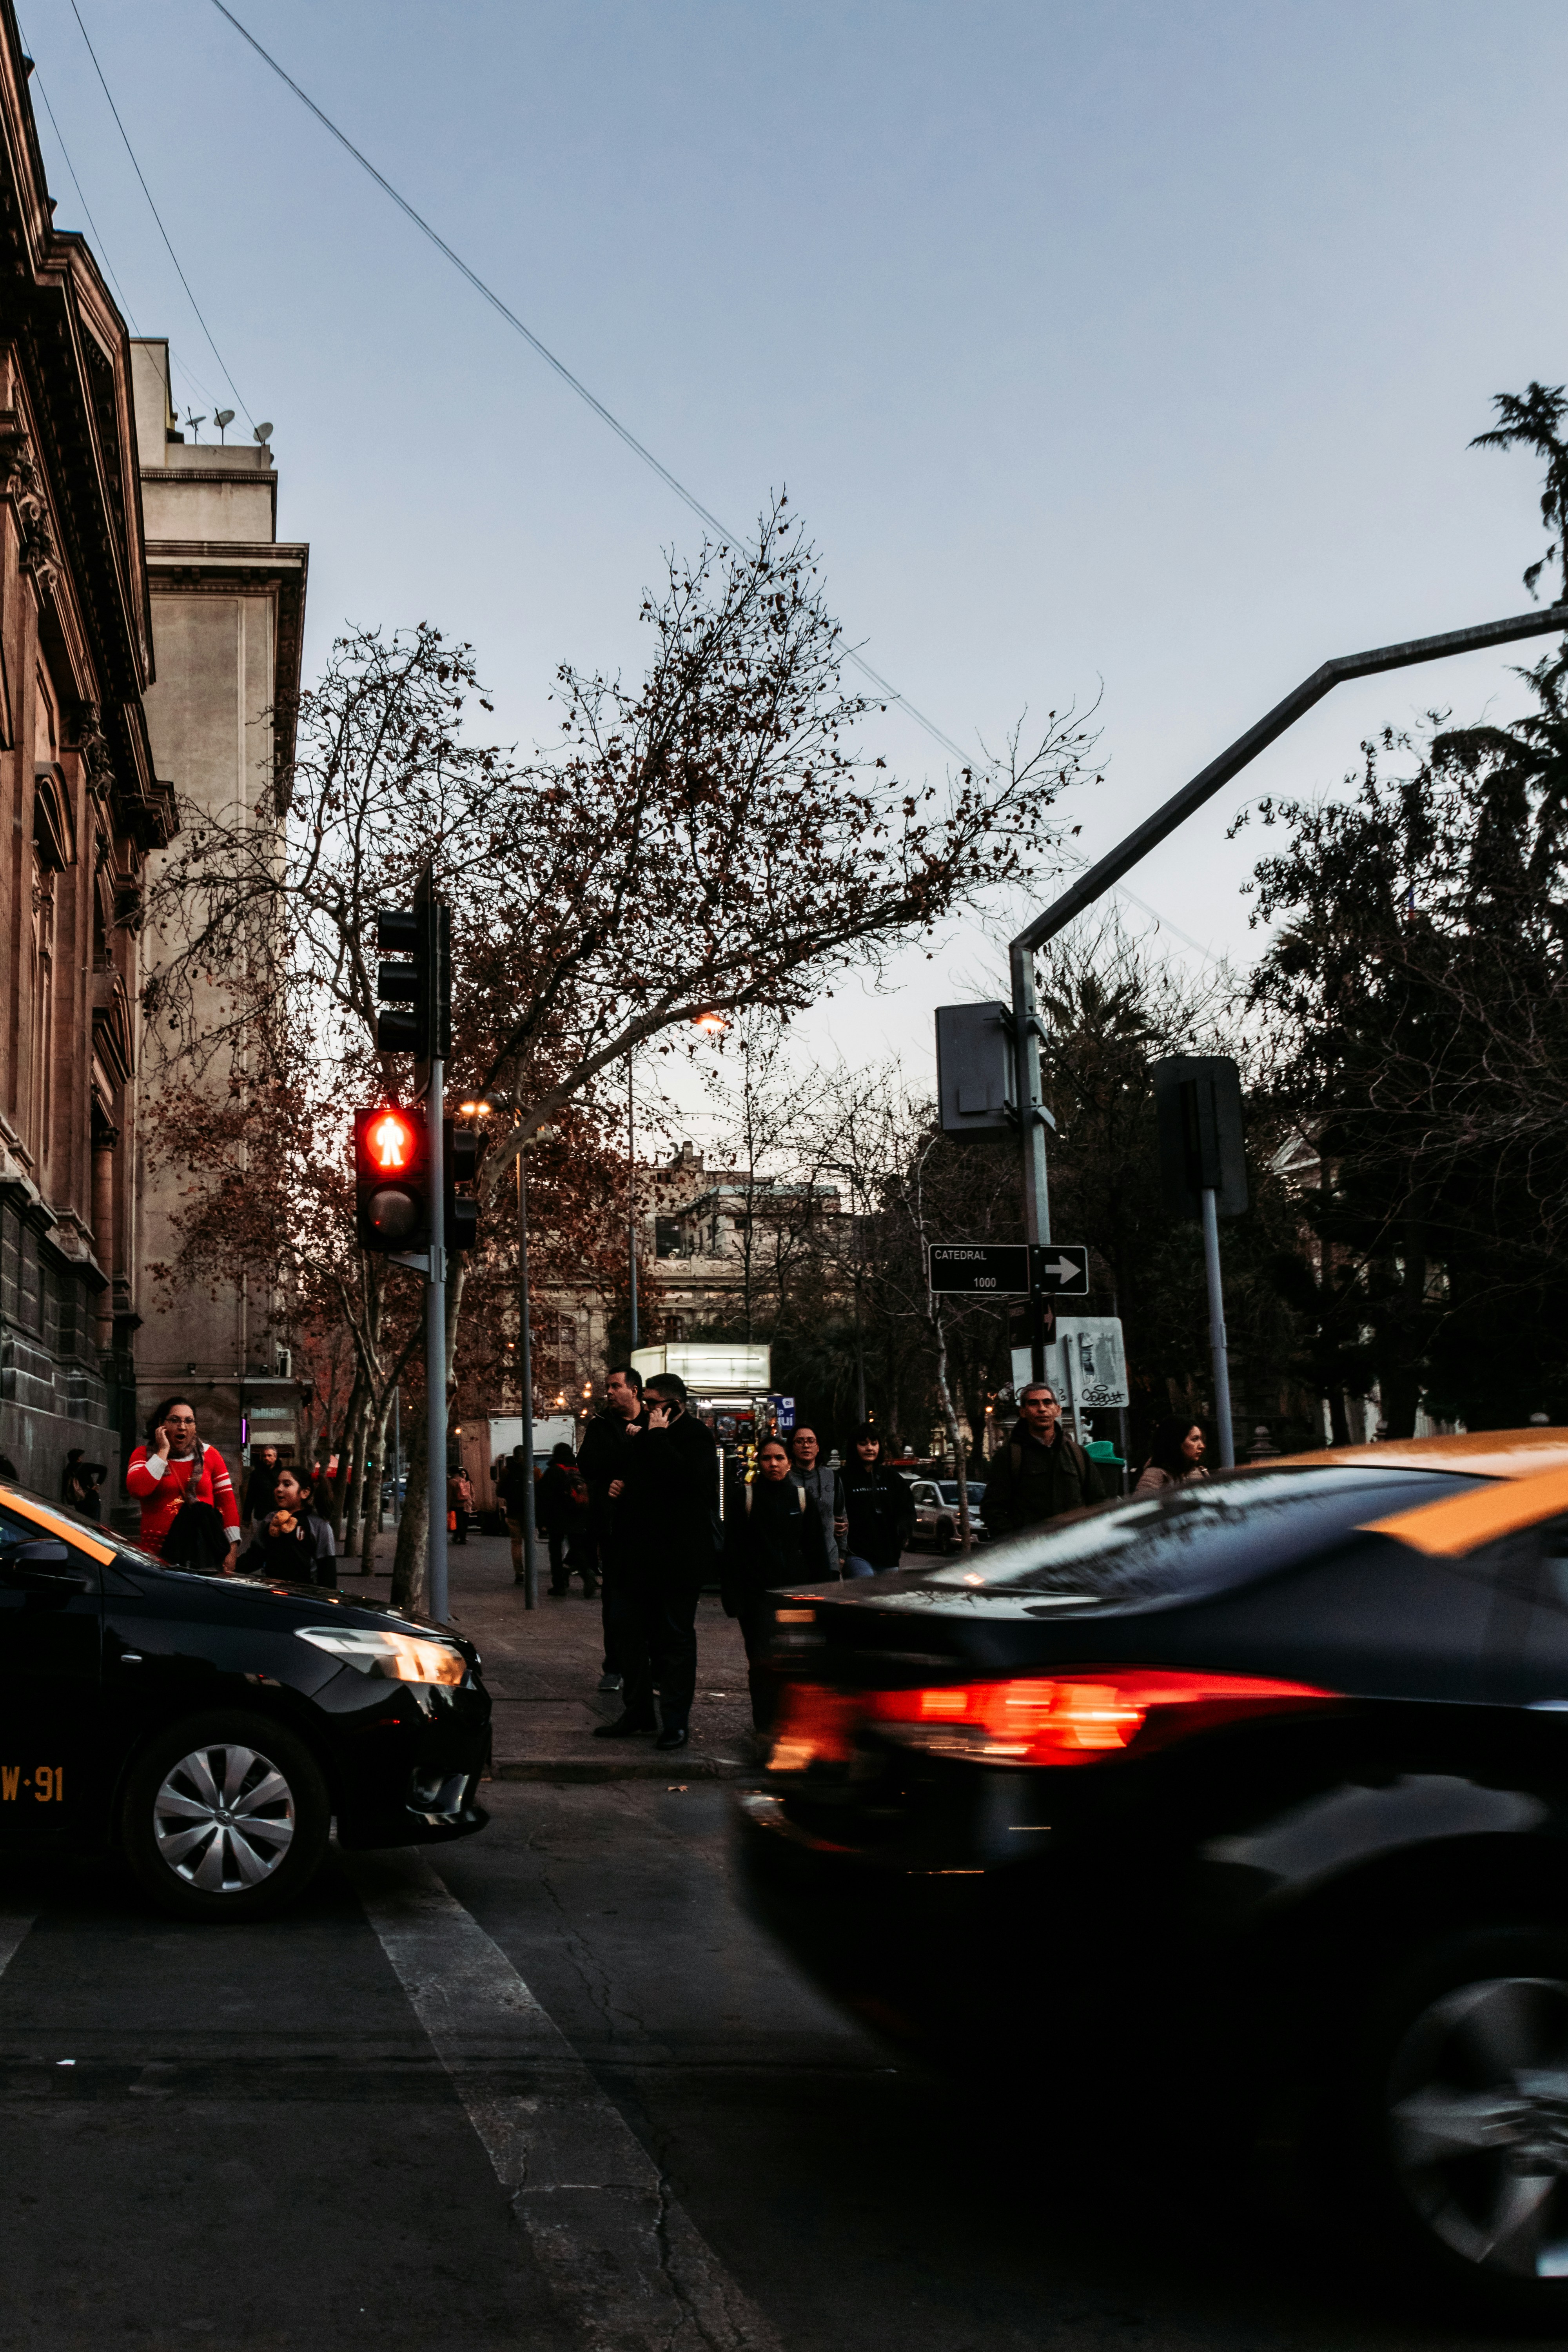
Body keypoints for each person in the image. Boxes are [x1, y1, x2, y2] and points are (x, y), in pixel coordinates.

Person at [595, 1371, 719, 1752]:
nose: (645, 1408)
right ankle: (638, 1712)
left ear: (673, 1405)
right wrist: (619, 1485)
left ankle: (674, 1722)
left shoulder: (695, 1436)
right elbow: (631, 1475)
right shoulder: (644, 1434)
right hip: (637, 1557)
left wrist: (659, 1435)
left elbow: (685, 1481)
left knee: (674, 1639)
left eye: (651, 1403)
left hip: (678, 1560)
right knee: (626, 1631)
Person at [722, 1436, 837, 1728]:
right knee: (761, 1665)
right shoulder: (745, 1497)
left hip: (793, 1597)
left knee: (795, 1662)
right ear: (758, 1462)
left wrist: (823, 1595)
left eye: (780, 1458)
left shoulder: (801, 1499)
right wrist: (734, 1598)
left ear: (789, 1462)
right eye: (766, 1458)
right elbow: (732, 1550)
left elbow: (816, 1551)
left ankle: (791, 1728)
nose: (773, 1464)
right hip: (756, 1599)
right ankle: (765, 1729)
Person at [578, 1366, 648, 1690]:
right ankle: (615, 1666)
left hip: (650, 1527)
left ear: (634, 1391)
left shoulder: (652, 1423)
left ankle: (650, 1665)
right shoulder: (601, 1427)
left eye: (614, 1386)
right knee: (616, 1600)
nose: (608, 1392)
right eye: (607, 1387)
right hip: (613, 1527)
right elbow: (589, 1464)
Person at [980, 1383, 1110, 1540]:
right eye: (1033, 1403)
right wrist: (1014, 1543)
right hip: (1031, 1553)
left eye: (1047, 1402)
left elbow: (1098, 1502)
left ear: (1058, 1410)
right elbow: (993, 1508)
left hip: (1074, 1549)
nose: (1042, 1409)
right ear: (1023, 1412)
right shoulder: (1010, 1455)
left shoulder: (1077, 1453)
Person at [125, 1397, 241, 1569]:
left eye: (189, 1421)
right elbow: (138, 1490)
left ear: (195, 1427)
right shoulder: (144, 1455)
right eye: (175, 1420)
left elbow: (228, 1503)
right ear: (161, 1424)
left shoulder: (211, 1455)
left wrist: (232, 1550)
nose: (182, 1427)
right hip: (157, 1555)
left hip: (202, 1553)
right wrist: (163, 1451)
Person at [235, 1465, 337, 1586]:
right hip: (272, 1591)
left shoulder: (319, 1525)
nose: (279, 1489)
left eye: (287, 1484)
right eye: (278, 1484)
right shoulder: (270, 1520)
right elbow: (255, 1556)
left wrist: (327, 1600)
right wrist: (231, 1566)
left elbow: (327, 1568)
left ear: (304, 1493)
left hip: (304, 1595)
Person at [840, 1424, 916, 1576]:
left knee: (888, 1599)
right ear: (854, 1447)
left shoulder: (892, 1477)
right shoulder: (842, 1478)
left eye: (874, 1443)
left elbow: (907, 1509)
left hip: (888, 1556)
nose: (870, 1448)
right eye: (863, 1444)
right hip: (856, 1554)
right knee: (866, 1591)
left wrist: (902, 1533)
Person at [537, 1441, 594, 1597]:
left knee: (555, 1551)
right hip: (578, 1517)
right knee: (577, 1549)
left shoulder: (554, 1472)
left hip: (557, 1519)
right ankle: (587, 1574)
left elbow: (544, 1497)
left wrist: (541, 1522)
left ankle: (559, 1585)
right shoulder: (579, 1471)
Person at [788, 1425, 846, 1570]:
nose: (806, 1445)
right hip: (795, 1561)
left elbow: (842, 1516)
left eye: (811, 1441)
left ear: (818, 1447)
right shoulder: (785, 1479)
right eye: (799, 1442)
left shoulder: (832, 1477)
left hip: (829, 1559)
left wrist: (842, 1556)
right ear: (792, 1447)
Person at [1133, 1418, 1210, 1496]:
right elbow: (1141, 1507)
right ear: (1176, 1442)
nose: (1202, 1446)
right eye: (1195, 1439)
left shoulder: (1201, 1472)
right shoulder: (1156, 1475)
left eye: (1201, 1440)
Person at [495, 1444, 535, 1585]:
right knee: (531, 1543)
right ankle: (531, 1571)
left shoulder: (507, 1471)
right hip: (530, 1513)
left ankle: (520, 1572)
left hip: (513, 1512)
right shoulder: (533, 1470)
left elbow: (499, 1492)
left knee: (516, 1543)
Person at [243, 1445, 281, 1529]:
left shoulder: (282, 1474)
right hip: (261, 1516)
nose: (267, 1458)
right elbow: (250, 1496)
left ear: (275, 1457)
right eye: (264, 1456)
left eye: (269, 1455)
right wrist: (246, 1518)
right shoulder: (256, 1475)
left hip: (279, 1516)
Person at [61, 1449, 106, 1516]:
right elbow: (104, 1469)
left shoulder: (67, 1471)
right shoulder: (85, 1467)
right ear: (79, 1458)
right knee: (94, 1521)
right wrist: (98, 1484)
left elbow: (66, 1487)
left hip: (78, 1500)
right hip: (90, 1497)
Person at [450, 1464, 474, 1545]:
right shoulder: (464, 1481)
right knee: (463, 1522)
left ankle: (461, 1538)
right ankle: (460, 1537)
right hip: (465, 1503)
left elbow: (449, 1495)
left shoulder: (452, 1482)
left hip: (456, 1504)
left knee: (458, 1522)